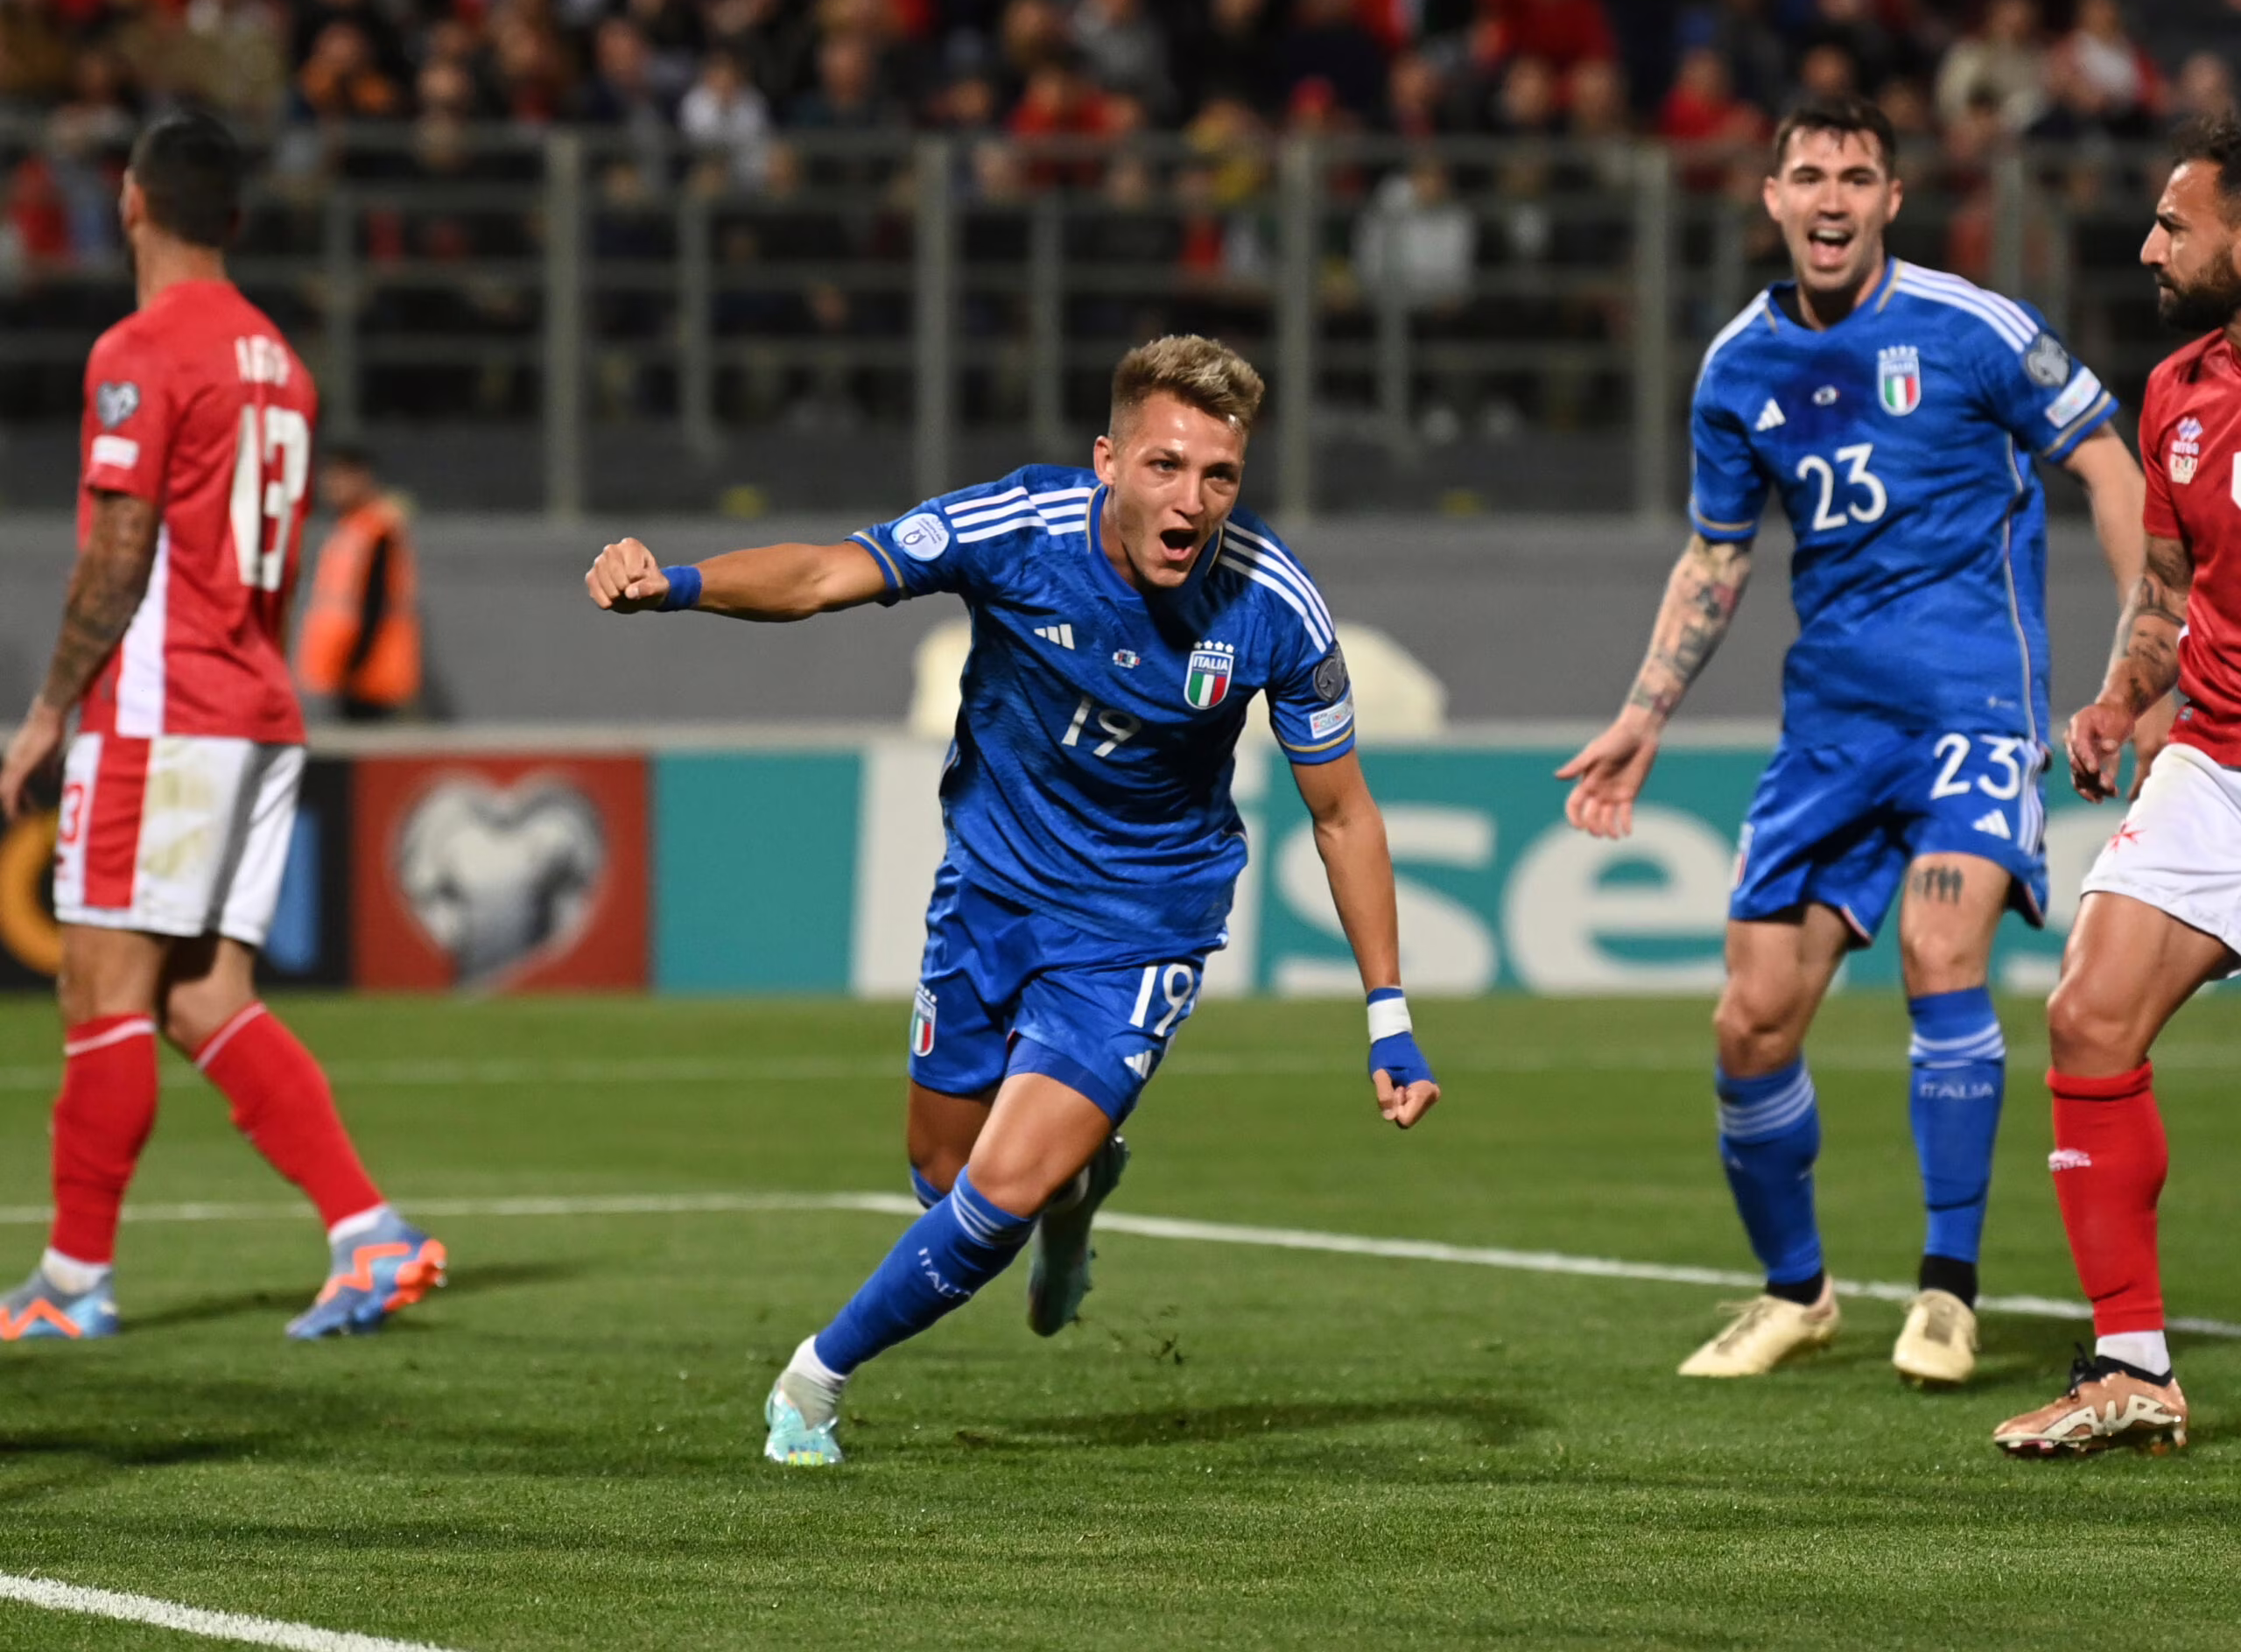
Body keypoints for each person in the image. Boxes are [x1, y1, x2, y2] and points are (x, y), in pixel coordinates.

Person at [585, 334, 1440, 1466]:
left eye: (1219, 476)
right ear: (1108, 462)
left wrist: (1388, 1012)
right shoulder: (1018, 530)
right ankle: (1078, 1197)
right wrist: (679, 587)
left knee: (998, 1188)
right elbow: (826, 575)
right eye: (1165, 466)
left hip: (1140, 926)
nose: (1192, 502)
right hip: (988, 894)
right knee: (942, 1179)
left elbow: (1343, 816)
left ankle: (814, 1382)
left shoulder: (1273, 605)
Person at [1557, 96, 2147, 1388]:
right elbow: (1717, 557)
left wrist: (2134, 661)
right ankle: (1797, 1293)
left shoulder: (1972, 328)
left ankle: (1947, 1290)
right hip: (1830, 730)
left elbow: (2110, 468)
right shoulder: (1738, 367)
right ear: (1771, 198)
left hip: (1972, 705)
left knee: (1942, 952)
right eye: (1810, 175)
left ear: (1891, 200)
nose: (1832, 198)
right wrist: (1642, 718)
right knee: (1751, 1023)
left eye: (1858, 176)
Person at [0, 111, 445, 1342]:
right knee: (202, 995)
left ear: (132, 204)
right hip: (256, 706)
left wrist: (47, 714)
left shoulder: (140, 348)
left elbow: (120, 548)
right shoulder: (280, 362)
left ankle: (70, 1284)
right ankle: (369, 1234)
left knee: (101, 987)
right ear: (234, 220)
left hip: (164, 710)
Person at [1992, 114, 2241, 1456]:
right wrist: (2121, 695)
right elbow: (2167, 584)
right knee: (2089, 1017)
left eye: (2176, 226)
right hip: (2216, 759)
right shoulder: (2178, 392)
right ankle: (2131, 1366)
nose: (2149, 247)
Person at [296, 444, 422, 722]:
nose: (331, 486)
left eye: (340, 477)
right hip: (348, 672)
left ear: (363, 477)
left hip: (370, 675)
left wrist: (354, 664)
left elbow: (376, 602)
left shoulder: (379, 528)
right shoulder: (351, 526)